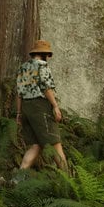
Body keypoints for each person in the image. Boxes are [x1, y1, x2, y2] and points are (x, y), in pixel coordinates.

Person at [15, 39, 68, 170]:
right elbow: (46, 88)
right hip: (41, 108)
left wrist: (19, 113)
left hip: (26, 108)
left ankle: (17, 179)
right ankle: (68, 182)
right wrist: (55, 106)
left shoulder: (23, 68)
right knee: (55, 144)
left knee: (35, 146)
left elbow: (19, 93)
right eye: (48, 55)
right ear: (44, 54)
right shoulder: (42, 66)